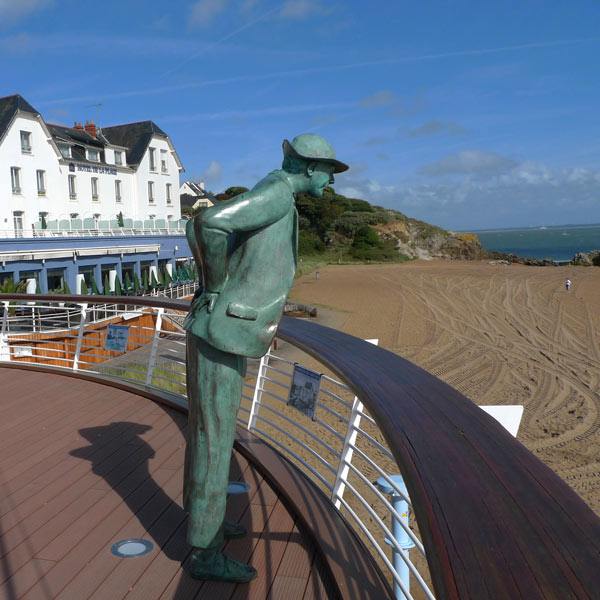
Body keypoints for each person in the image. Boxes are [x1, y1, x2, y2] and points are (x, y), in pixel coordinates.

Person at [183, 134, 348, 582]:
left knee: (207, 435)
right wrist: (215, 287)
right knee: (214, 441)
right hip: (223, 333)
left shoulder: (274, 192)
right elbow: (211, 223)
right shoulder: (277, 192)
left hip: (225, 330)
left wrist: (213, 284)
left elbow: (200, 227)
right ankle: (204, 551)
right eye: (328, 171)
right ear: (309, 167)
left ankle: (207, 525)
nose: (330, 180)